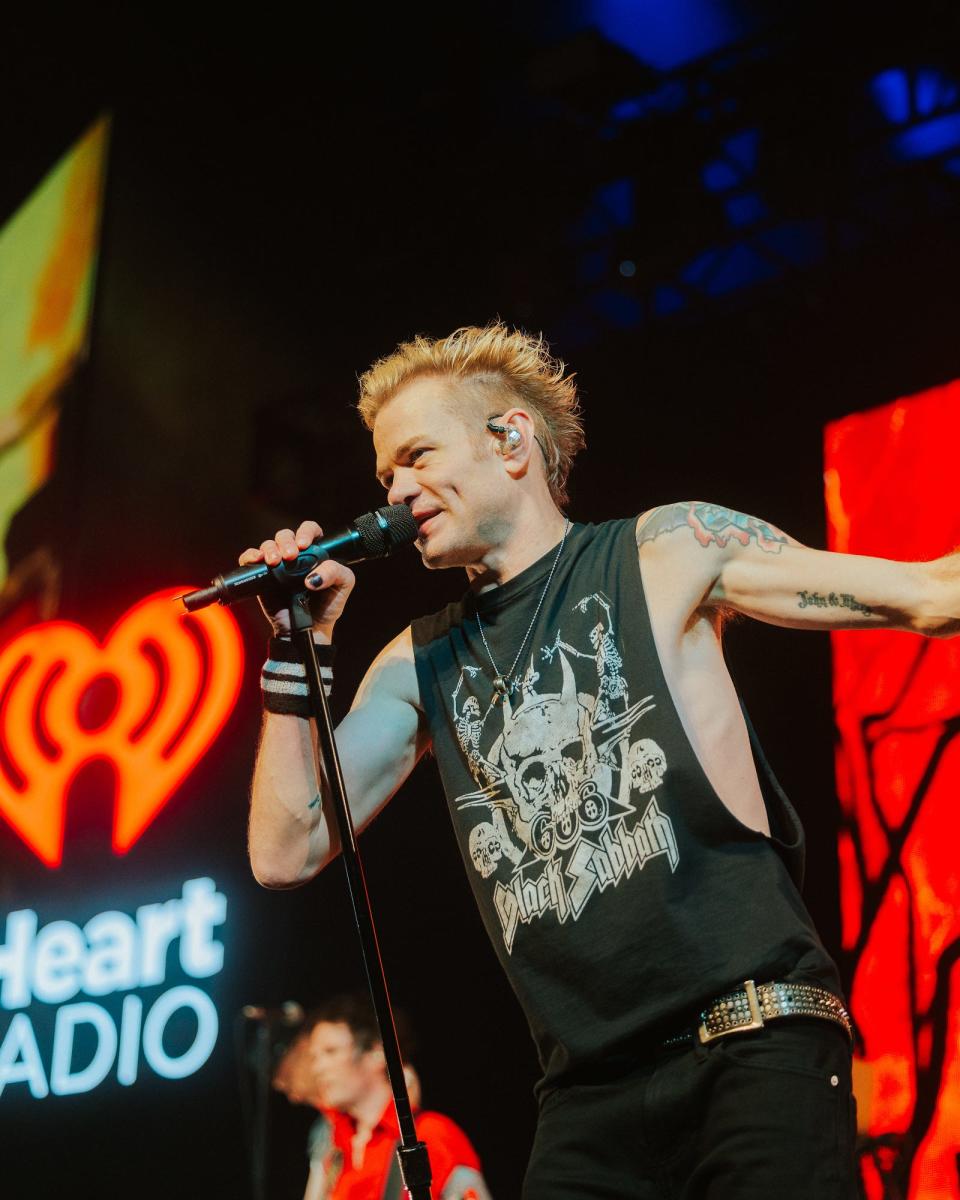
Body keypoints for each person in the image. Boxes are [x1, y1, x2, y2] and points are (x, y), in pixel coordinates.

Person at [242, 323, 959, 1198]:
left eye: (417, 456)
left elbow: (930, 594)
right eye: (386, 474)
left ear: (511, 441)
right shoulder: (418, 663)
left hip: (750, 1043)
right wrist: (294, 650)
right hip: (584, 1102)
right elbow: (287, 850)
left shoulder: (667, 552)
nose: (396, 491)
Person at [292, 994, 490, 1200]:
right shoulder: (333, 1145)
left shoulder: (433, 1135)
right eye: (314, 1057)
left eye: (331, 1051)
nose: (318, 1068)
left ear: (376, 1051)